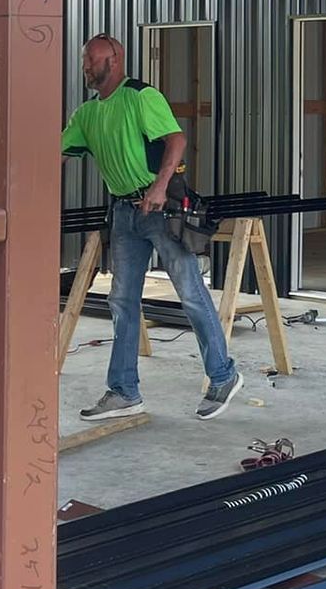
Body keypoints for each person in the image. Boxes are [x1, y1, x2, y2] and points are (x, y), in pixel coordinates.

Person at [62, 34, 243, 421]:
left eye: (92, 59)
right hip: (124, 213)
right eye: (84, 60)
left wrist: (160, 187)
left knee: (190, 292)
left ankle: (223, 375)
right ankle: (124, 391)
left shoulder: (141, 97)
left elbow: (176, 140)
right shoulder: (86, 114)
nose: (86, 67)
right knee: (122, 301)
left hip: (162, 208)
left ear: (115, 59)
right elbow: (53, 156)